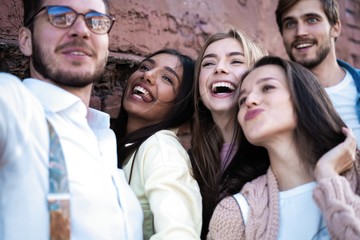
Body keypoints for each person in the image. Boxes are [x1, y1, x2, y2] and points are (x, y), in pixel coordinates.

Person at [0, 0, 143, 239]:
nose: (81, 30)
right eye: (60, 15)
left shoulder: (105, 140)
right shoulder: (17, 109)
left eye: (96, 21)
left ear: (107, 48)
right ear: (25, 40)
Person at [207, 56, 360, 239]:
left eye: (267, 88)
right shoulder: (235, 214)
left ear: (304, 97)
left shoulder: (357, 175)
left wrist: (327, 175)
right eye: (242, 100)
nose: (250, 101)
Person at [114, 49, 202, 239]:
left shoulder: (161, 150)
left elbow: (178, 235)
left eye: (167, 79)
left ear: (181, 106)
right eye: (145, 67)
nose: (147, 75)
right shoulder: (124, 145)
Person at [189, 27, 268, 238]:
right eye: (208, 63)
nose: (220, 68)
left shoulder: (273, 156)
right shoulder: (189, 163)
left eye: (236, 61)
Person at [275, 0, 360, 144]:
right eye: (290, 24)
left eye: (312, 20)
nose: (300, 32)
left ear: (335, 27)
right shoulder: (276, 99)